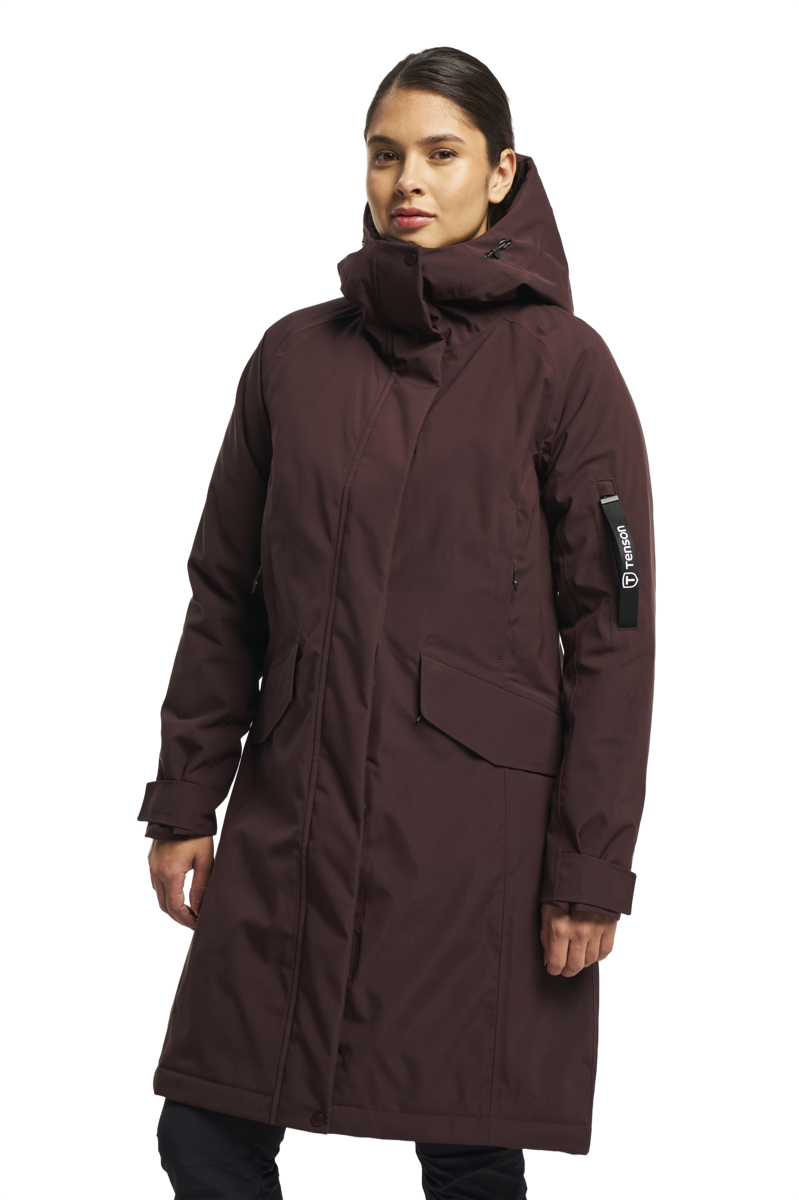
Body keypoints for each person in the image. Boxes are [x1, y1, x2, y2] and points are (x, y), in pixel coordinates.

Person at [141, 45, 655, 1200]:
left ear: (501, 174)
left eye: (440, 153)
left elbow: (613, 630)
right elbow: (223, 592)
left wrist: (591, 869)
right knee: (203, 1121)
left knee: (463, 1142)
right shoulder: (292, 356)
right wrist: (184, 800)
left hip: (476, 840)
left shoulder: (568, 368)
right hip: (292, 812)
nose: (407, 179)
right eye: (384, 155)